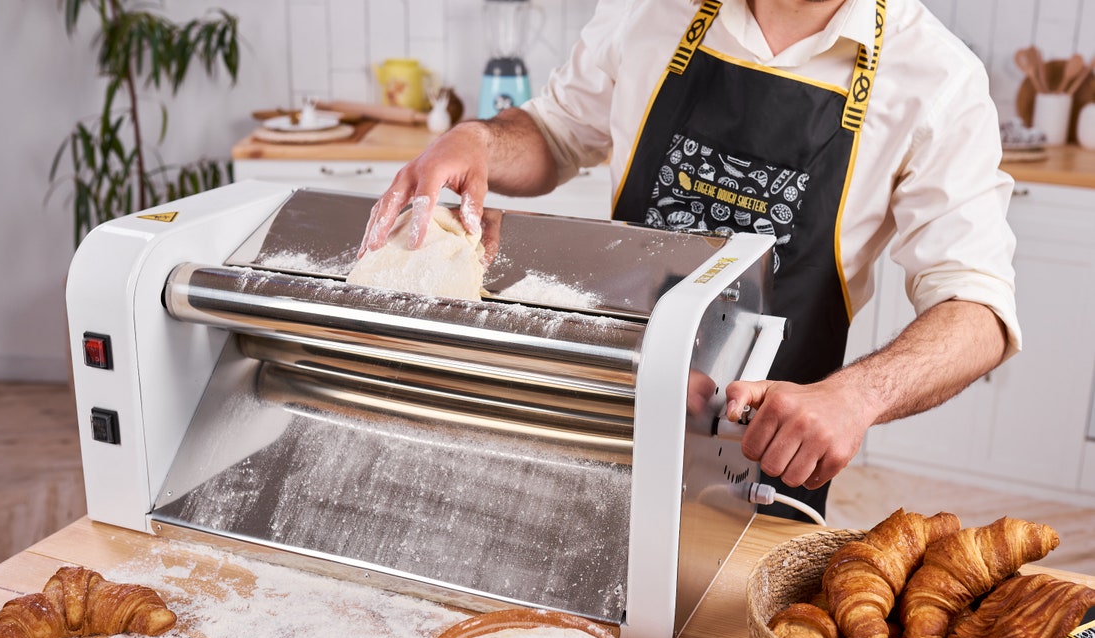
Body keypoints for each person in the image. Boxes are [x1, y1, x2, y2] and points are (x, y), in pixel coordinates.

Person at [359, 0, 1019, 520]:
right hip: (601, 410)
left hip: (757, 466)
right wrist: (477, 139)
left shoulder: (938, 81)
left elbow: (978, 309)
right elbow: (555, 132)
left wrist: (855, 397)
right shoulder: (652, 11)